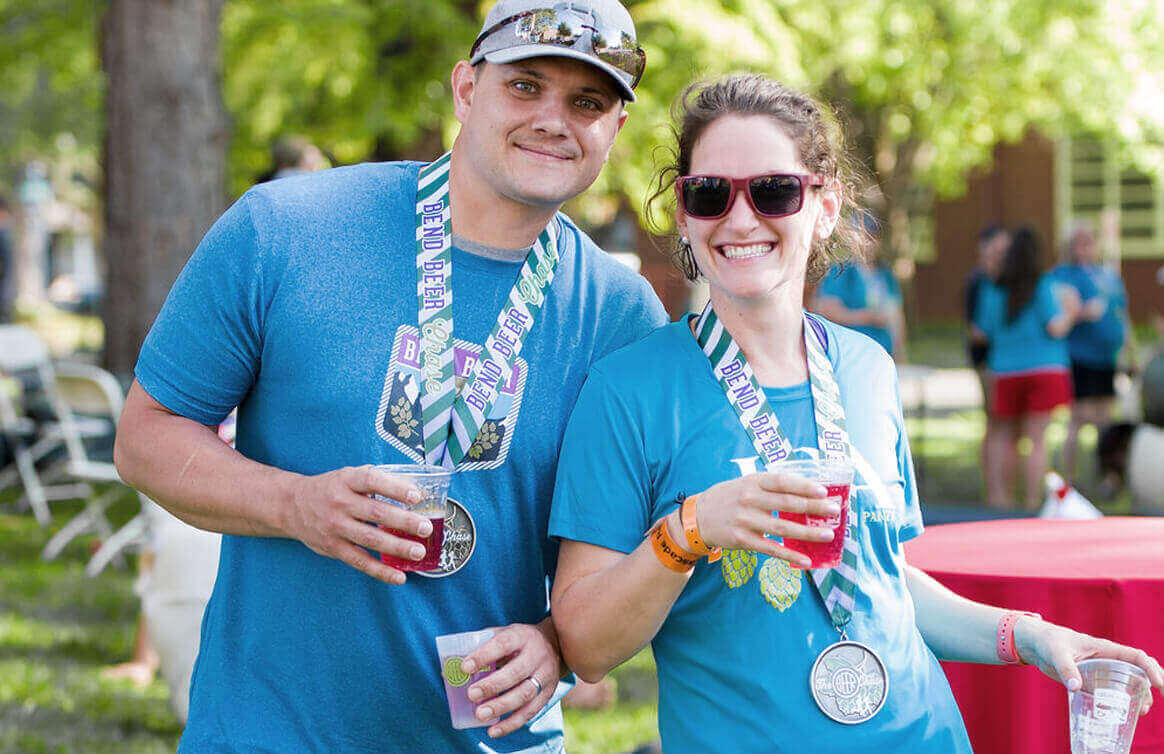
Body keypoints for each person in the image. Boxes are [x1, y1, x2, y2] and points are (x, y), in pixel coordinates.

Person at [547, 74, 1162, 753]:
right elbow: (587, 646)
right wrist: (689, 532)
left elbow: (879, 578)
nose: (741, 218)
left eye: (774, 190)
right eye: (711, 193)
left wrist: (1026, 634)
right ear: (687, 214)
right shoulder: (627, 391)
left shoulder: (867, 368)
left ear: (826, 205)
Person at [113, 1, 664, 750]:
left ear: (614, 130)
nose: (553, 119)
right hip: (271, 733)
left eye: (587, 102)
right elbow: (145, 436)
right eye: (526, 86)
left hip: (491, 737)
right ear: (467, 90)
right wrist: (294, 503)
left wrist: (557, 647)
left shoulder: (623, 315)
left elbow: (612, 561)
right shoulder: (286, 229)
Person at [975, 227, 1080, 508]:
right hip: (1045, 369)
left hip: (1005, 371)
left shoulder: (993, 288)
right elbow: (1055, 327)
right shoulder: (1043, 284)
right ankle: (1034, 502)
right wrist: (1073, 311)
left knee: (1003, 436)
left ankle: (1000, 500)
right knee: (1037, 440)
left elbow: (982, 332)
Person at [1054, 222, 1138, 484]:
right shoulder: (1062, 276)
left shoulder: (1109, 276)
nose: (1085, 247)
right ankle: (1069, 479)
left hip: (1107, 358)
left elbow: (1121, 315)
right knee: (1078, 417)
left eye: (1089, 240)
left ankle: (1106, 477)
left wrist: (1130, 350)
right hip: (1080, 357)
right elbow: (1056, 315)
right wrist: (1082, 312)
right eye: (1079, 241)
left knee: (1106, 419)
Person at [810, 211, 905, 358]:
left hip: (884, 353)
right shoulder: (841, 271)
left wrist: (900, 353)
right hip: (852, 355)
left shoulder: (885, 273)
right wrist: (869, 317)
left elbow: (896, 316)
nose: (869, 242)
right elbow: (825, 311)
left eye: (874, 237)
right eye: (864, 236)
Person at [965, 225, 1009, 496]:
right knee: (994, 422)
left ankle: (999, 485)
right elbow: (976, 330)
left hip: (1000, 359)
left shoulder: (1000, 279)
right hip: (987, 361)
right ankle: (993, 489)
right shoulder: (979, 281)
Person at [255, 135, 330, 183]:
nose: (319, 159)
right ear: (303, 161)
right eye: (313, 155)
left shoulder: (265, 183)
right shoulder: (306, 182)